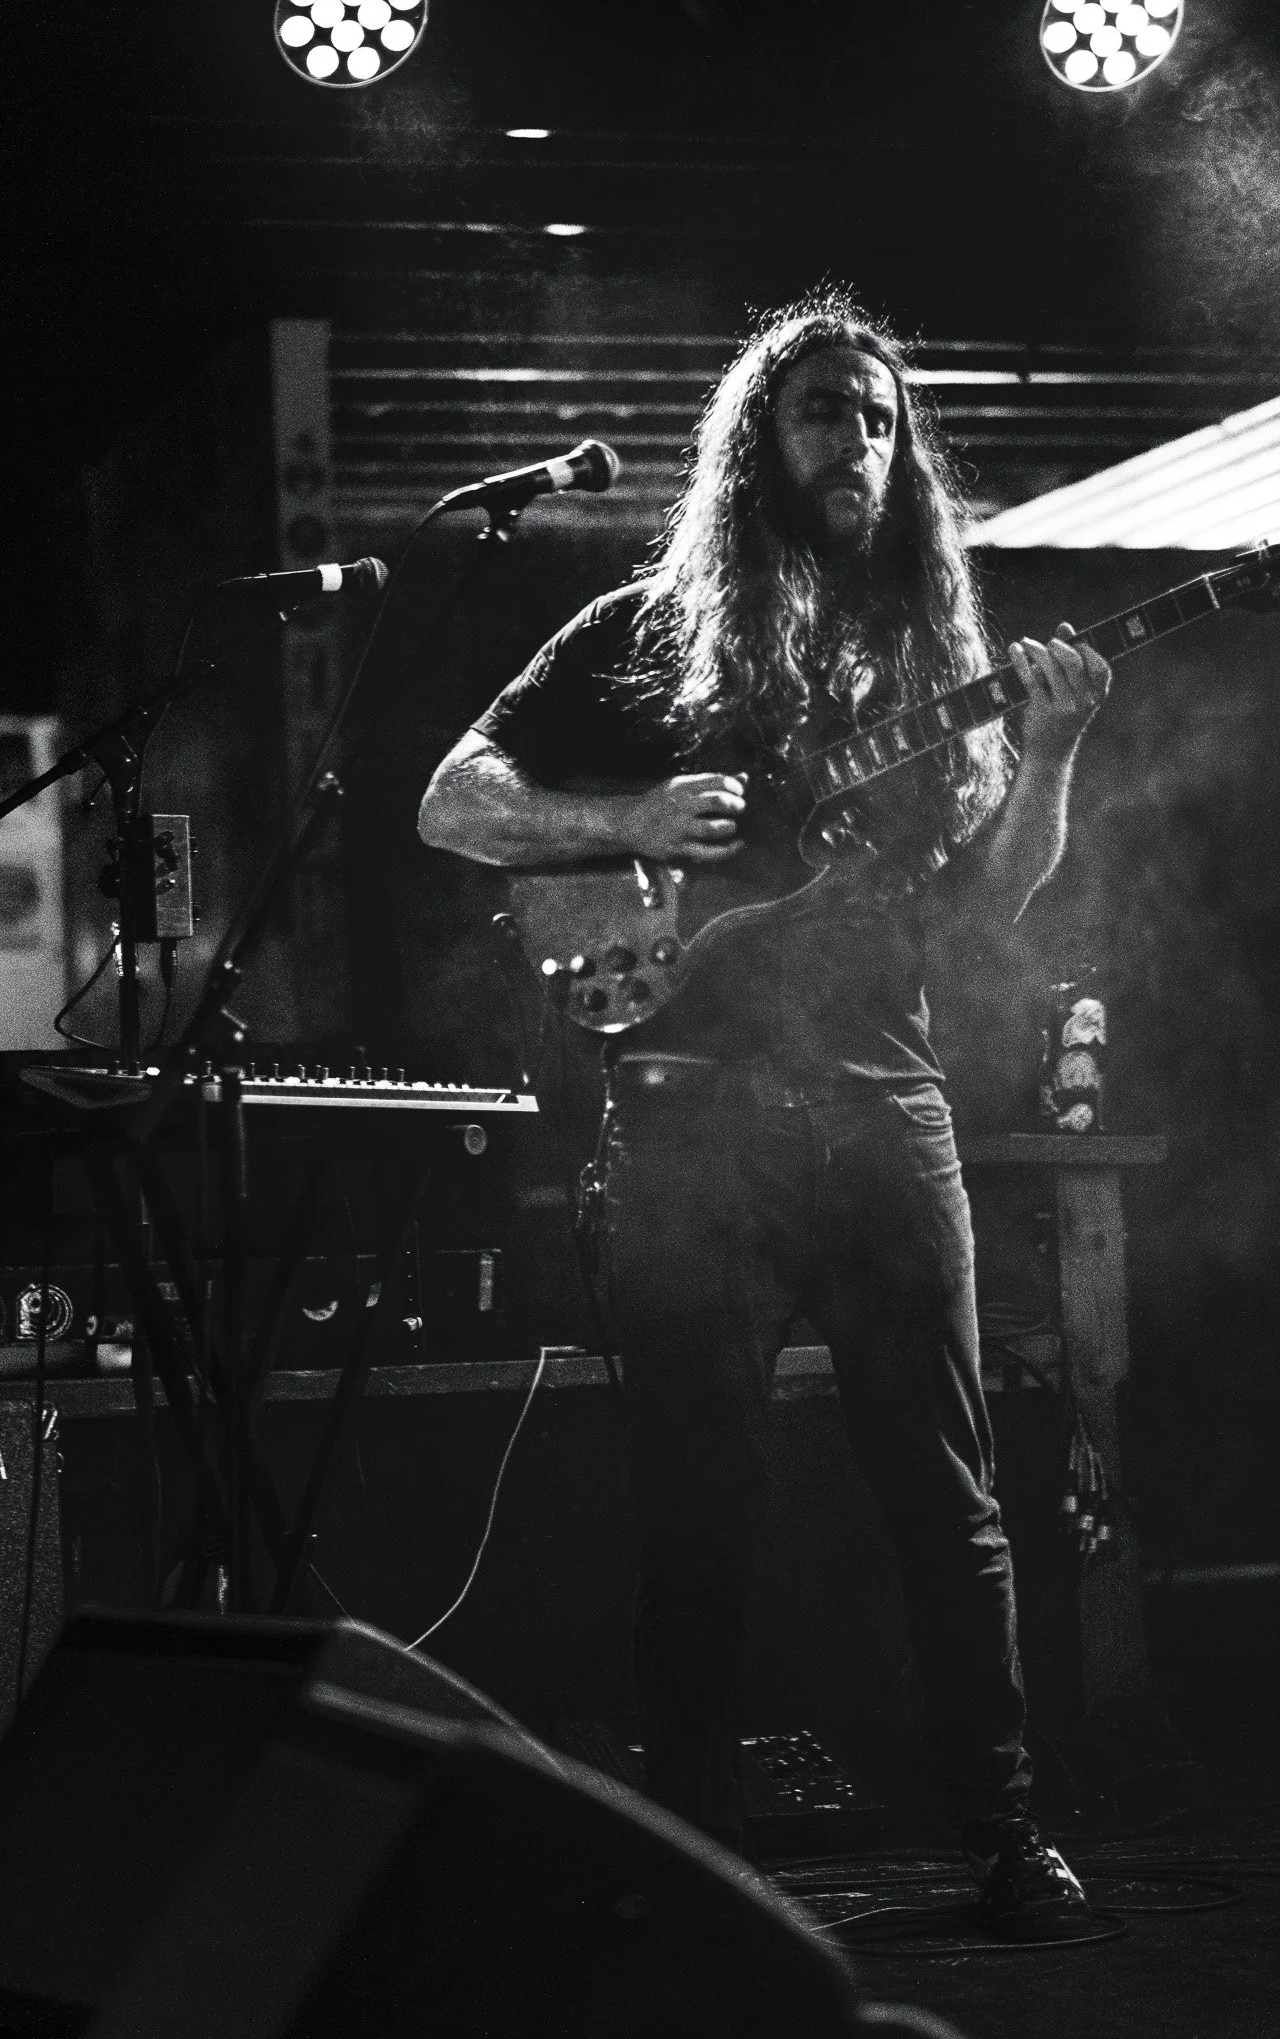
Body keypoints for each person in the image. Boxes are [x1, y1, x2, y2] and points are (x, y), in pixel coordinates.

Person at [418, 299, 1111, 1937]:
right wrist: (631, 813)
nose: (854, 443)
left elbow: (987, 916)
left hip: (888, 1105)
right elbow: (455, 801)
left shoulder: (941, 665)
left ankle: (1005, 1836)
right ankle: (688, 1868)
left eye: (876, 420)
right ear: (757, 442)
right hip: (685, 1117)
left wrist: (1056, 743)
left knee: (951, 1498)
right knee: (697, 1509)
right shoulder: (642, 632)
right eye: (820, 414)